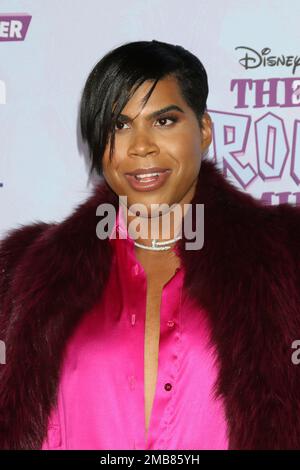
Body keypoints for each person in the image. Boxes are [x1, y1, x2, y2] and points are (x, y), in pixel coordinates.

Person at [1, 39, 300, 451]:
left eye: (164, 121)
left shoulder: (287, 260)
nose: (141, 146)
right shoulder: (25, 277)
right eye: (119, 125)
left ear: (205, 130)